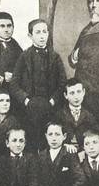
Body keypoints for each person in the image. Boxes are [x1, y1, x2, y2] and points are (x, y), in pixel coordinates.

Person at [12, 19, 67, 150]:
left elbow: (62, 82)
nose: (42, 36)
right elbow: (14, 83)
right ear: (30, 36)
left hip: (50, 107)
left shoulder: (55, 57)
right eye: (38, 32)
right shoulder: (24, 56)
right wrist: (25, 100)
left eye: (44, 32)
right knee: (31, 142)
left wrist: (53, 101)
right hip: (29, 108)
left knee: (47, 143)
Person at [37, 121, 83, 186]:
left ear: (64, 136)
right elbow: (38, 181)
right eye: (50, 134)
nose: (54, 138)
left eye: (57, 134)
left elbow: (80, 178)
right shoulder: (41, 155)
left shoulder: (70, 153)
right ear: (46, 136)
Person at [54, 78, 99, 153]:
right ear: (66, 95)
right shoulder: (59, 115)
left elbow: (97, 135)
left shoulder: (89, 115)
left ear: (83, 92)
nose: (76, 97)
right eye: (72, 93)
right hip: (65, 151)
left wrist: (85, 148)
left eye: (78, 92)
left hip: (84, 152)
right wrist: (64, 145)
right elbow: (53, 136)